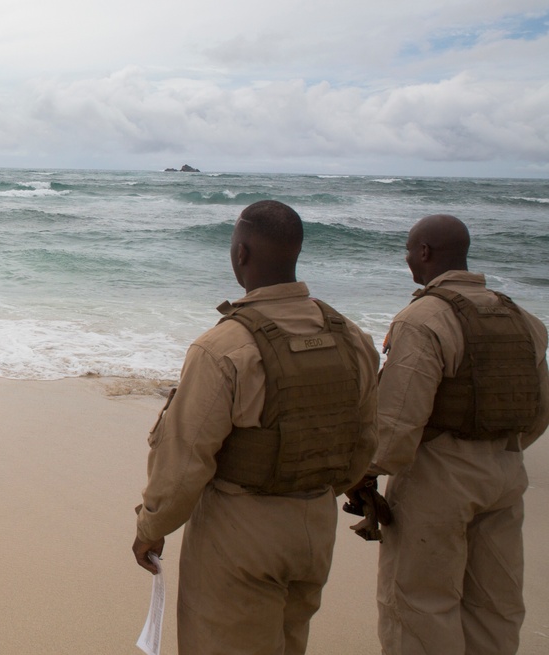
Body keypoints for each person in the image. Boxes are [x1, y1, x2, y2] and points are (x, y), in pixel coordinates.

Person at [132, 200, 379, 655]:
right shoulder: (351, 337)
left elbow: (187, 458)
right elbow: (364, 439)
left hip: (240, 532)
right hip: (314, 528)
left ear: (241, 254)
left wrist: (152, 526)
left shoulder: (225, 345)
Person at [364, 214, 549, 655]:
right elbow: (540, 411)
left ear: (424, 253)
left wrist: (362, 472)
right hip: (506, 474)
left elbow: (397, 425)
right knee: (495, 607)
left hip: (438, 478)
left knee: (420, 606)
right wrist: (499, 453)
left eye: (410, 251)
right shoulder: (522, 319)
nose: (408, 259)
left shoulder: (424, 318)